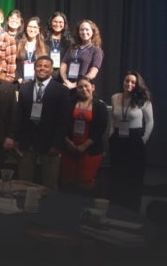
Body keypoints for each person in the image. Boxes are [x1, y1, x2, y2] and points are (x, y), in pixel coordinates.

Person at [16, 56, 72, 190]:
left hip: (50, 144)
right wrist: (19, 140)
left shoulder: (61, 90)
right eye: (39, 65)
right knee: (23, 182)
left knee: (50, 184)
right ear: (35, 68)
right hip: (27, 143)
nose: (42, 68)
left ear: (52, 69)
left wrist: (57, 144)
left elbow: (64, 120)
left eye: (46, 66)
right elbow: (19, 117)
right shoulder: (24, 88)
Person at [108, 71, 154, 211]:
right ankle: (116, 205)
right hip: (117, 139)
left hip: (135, 140)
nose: (129, 84)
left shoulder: (143, 100)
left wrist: (143, 139)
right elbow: (113, 119)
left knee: (133, 176)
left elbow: (150, 122)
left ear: (137, 85)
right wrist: (111, 135)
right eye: (127, 81)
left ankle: (132, 208)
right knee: (117, 175)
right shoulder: (115, 97)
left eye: (133, 82)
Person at [61, 76, 108, 193]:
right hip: (69, 148)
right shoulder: (70, 103)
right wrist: (68, 142)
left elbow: (100, 129)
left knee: (85, 182)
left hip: (91, 150)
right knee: (68, 182)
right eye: (80, 87)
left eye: (86, 86)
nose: (83, 89)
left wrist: (84, 146)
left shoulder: (100, 106)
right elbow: (62, 124)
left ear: (93, 87)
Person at [60, 19, 103, 90]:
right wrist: (65, 81)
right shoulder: (72, 48)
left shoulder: (96, 50)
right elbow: (63, 65)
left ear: (93, 32)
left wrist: (75, 84)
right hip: (67, 84)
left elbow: (93, 73)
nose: (84, 32)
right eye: (81, 30)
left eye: (87, 29)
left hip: (83, 88)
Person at [14, 17, 48, 85]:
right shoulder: (17, 44)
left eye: (35, 27)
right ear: (26, 28)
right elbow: (12, 64)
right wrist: (19, 79)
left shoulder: (45, 48)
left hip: (37, 85)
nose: (32, 30)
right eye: (30, 26)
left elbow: (47, 68)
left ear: (39, 29)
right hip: (19, 85)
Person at [44, 11, 72, 82]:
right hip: (46, 76)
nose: (57, 24)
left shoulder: (69, 42)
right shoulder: (43, 39)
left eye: (60, 22)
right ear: (51, 22)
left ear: (64, 24)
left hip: (63, 77)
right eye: (55, 22)